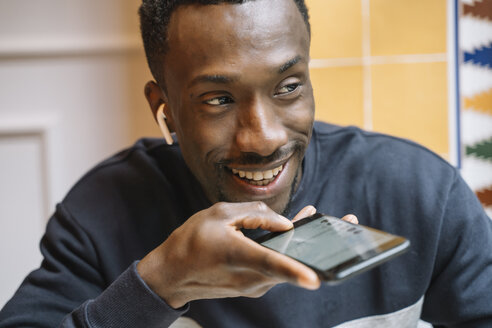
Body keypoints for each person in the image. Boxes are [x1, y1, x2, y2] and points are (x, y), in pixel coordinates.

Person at [1, 0, 491, 327]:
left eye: (288, 87)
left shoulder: (424, 193)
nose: (264, 138)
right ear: (164, 105)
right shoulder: (102, 213)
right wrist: (159, 284)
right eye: (217, 99)